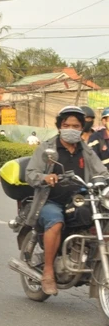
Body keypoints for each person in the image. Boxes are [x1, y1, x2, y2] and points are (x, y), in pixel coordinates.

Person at [26, 106, 107, 296]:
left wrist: (104, 179)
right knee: (55, 222)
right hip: (51, 201)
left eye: (76, 126)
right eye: (67, 125)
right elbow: (30, 173)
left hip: (80, 200)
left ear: (81, 128)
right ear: (60, 126)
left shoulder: (85, 150)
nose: (71, 129)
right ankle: (48, 272)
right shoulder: (48, 148)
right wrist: (45, 177)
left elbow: (101, 171)